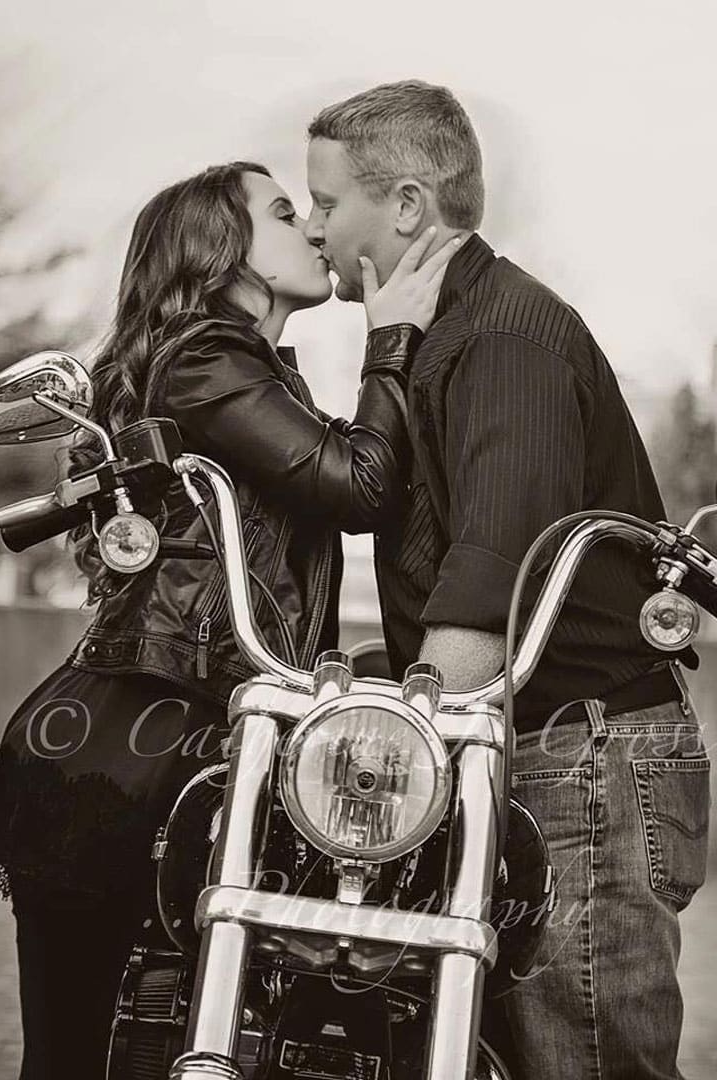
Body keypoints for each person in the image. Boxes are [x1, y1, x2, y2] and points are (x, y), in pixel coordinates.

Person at [0, 159, 458, 1079]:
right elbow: (358, 485)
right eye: (287, 212)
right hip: (144, 731)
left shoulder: (250, 366)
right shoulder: (207, 355)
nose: (315, 230)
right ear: (224, 246)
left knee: (185, 1025)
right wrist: (396, 335)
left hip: (195, 720)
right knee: (86, 1045)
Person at [305, 81, 711, 1079]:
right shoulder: (448, 332)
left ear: (404, 206)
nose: (313, 227)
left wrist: (404, 754)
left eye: (324, 202)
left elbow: (496, 571)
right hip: (554, 753)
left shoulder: (503, 336)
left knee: (581, 1060)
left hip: (584, 762)